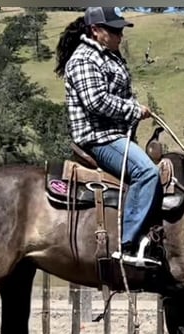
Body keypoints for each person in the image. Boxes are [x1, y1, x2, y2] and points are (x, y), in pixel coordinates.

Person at [55, 7, 162, 268]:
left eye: (121, 30)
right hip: (98, 138)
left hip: (115, 135)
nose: (119, 35)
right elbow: (96, 101)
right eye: (114, 30)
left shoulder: (109, 56)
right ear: (95, 30)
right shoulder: (83, 59)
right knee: (147, 173)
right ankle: (128, 244)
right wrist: (134, 109)